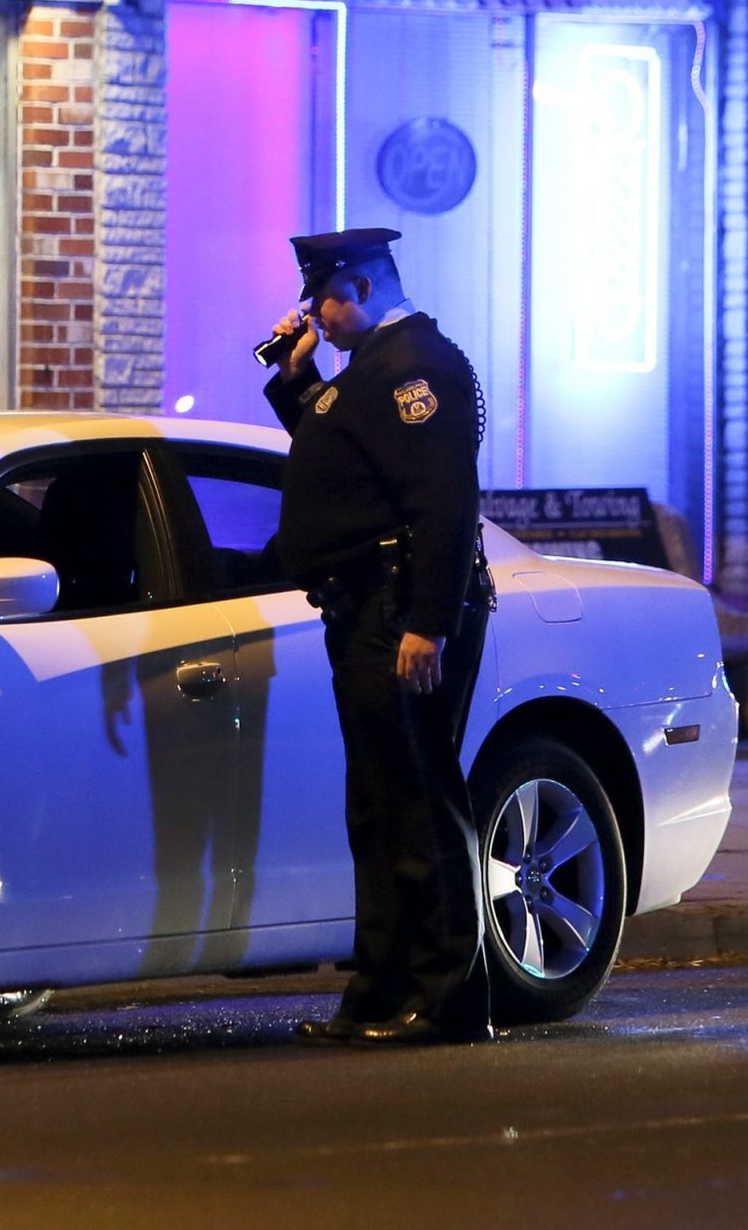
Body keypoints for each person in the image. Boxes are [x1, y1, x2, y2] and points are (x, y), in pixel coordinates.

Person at [263, 227, 492, 1047]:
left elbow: (442, 502)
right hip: (365, 609)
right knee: (379, 808)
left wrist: (429, 619)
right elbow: (340, 461)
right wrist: (296, 382)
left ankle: (447, 995)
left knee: (419, 802)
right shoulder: (368, 373)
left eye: (321, 297)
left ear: (358, 286)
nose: (311, 315)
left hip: (401, 611)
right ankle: (380, 991)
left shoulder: (416, 367)